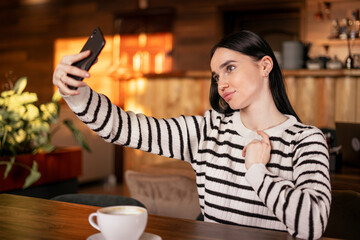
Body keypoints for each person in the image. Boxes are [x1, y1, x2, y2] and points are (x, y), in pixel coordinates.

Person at [53, 30, 331, 239]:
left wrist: (257, 171)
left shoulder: (306, 140)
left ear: (264, 66)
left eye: (230, 68)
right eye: (216, 76)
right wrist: (74, 92)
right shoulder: (207, 131)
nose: (221, 83)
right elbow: (124, 128)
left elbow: (312, 225)